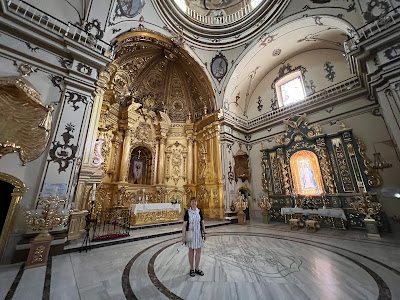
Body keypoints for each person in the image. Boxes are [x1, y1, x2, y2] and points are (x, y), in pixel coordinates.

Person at [182, 197, 206, 277]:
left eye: (195, 201)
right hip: (190, 234)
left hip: (198, 234)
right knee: (191, 251)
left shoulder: (199, 211)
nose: (194, 203)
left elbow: (202, 222)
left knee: (198, 251)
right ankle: (191, 268)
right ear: (190, 203)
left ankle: (197, 268)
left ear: (197, 203)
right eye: (192, 201)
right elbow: (184, 226)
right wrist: (183, 236)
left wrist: (204, 232)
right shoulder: (187, 212)